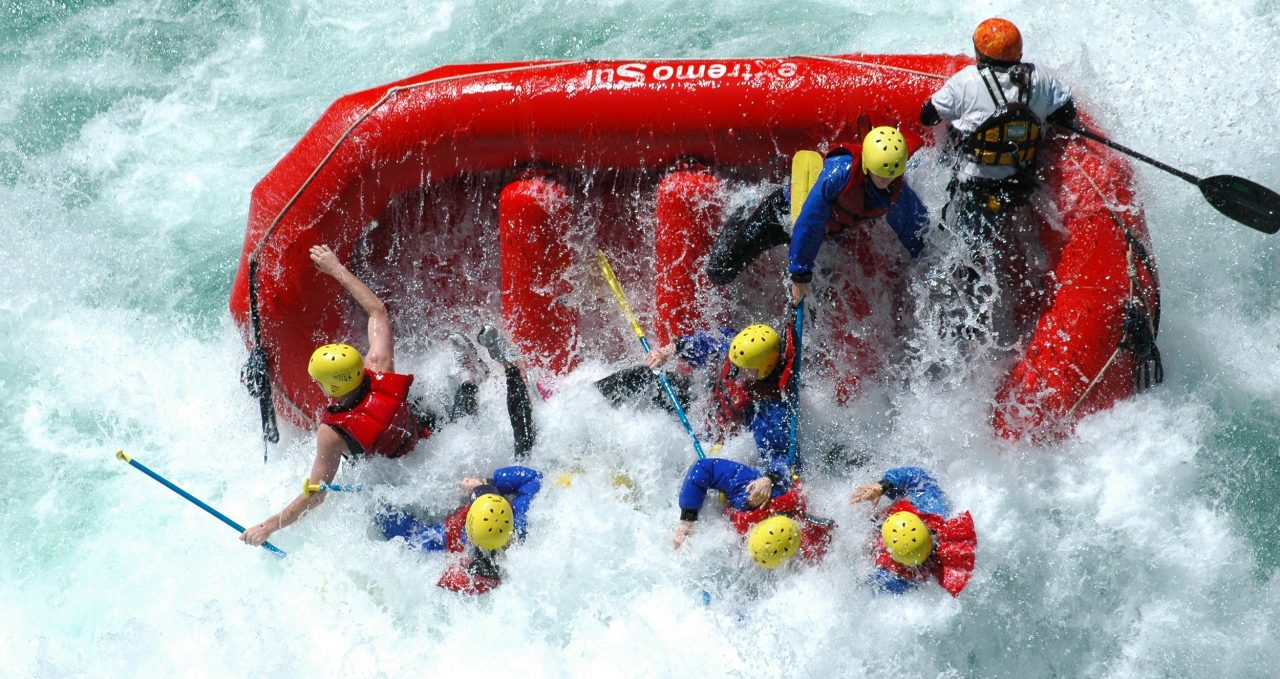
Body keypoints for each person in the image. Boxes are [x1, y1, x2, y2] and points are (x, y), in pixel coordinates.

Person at [241, 243, 534, 547]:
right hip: (424, 437)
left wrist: (269, 526)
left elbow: (315, 495)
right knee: (452, 421)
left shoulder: (331, 433)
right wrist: (336, 268)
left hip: (402, 476)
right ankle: (469, 379)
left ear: (331, 388)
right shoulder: (380, 367)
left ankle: (469, 379)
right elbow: (377, 310)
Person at [705, 126, 929, 305]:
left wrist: (927, 264)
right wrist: (800, 274)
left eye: (891, 176)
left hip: (830, 236)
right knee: (720, 271)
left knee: (820, 308)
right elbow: (810, 222)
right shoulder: (837, 175)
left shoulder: (896, 189)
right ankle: (743, 210)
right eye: (880, 176)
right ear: (867, 165)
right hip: (782, 216)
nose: (886, 182)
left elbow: (915, 229)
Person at [920, 17, 1076, 245]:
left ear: (979, 55)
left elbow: (927, 116)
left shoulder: (966, 81)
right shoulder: (1041, 78)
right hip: (1016, 186)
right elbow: (1067, 112)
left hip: (974, 189)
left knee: (966, 247)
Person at [595, 323, 798, 476]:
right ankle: (589, 402)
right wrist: (667, 351)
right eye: (737, 364)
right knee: (642, 375)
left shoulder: (769, 407)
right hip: (698, 402)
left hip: (716, 440)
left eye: (747, 370)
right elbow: (704, 343)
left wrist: (768, 479)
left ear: (765, 369)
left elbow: (778, 455)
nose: (739, 371)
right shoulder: (736, 352)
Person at [377, 466, 543, 595]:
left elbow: (408, 536)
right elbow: (533, 478)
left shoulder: (452, 536)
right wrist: (489, 483)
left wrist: (373, 504)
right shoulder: (521, 524)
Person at [672, 457, 834, 570]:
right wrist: (687, 521)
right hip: (758, 483)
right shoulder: (750, 495)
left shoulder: (813, 541)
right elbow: (703, 468)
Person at [850, 466, 977, 596]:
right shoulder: (932, 506)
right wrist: (884, 486)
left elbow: (861, 589)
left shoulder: (893, 577)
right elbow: (917, 476)